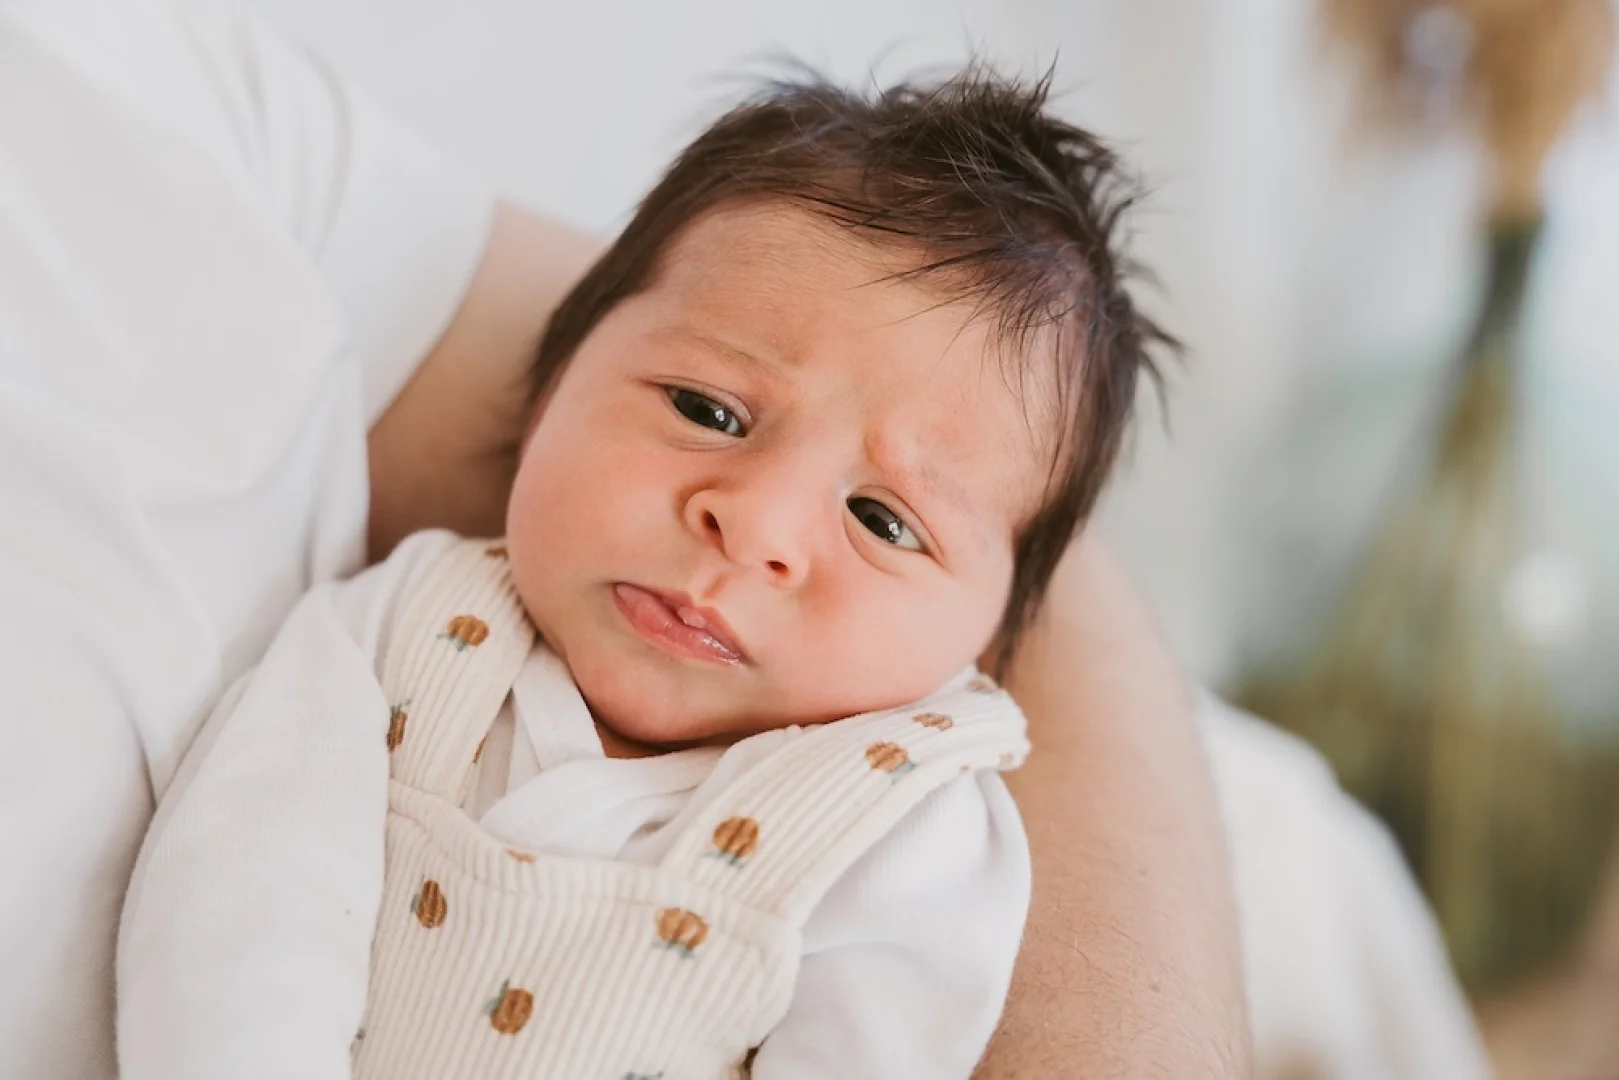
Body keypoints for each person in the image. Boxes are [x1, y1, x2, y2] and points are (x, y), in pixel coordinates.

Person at [0, 1, 1249, 1077]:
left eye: (883, 521)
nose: (749, 521)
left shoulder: (908, 832)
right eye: (704, 410)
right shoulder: (401, 632)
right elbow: (239, 902)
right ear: (545, 388)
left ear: (988, 636)